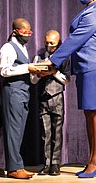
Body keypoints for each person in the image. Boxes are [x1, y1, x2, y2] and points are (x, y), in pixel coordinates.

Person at [39, 0, 96, 178]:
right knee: (90, 115)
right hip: (85, 68)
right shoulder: (88, 10)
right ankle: (92, 160)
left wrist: (52, 60)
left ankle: (94, 162)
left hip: (91, 67)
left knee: (93, 114)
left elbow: (76, 39)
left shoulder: (94, 12)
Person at [0, 18, 41, 179]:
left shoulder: (23, 48)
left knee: (19, 131)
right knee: (13, 131)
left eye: (30, 32)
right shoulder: (8, 47)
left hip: (23, 93)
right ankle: (13, 168)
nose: (28, 35)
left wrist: (36, 73)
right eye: (25, 32)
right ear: (15, 31)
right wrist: (27, 67)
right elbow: (4, 70)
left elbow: (27, 75)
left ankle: (18, 165)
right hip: (13, 93)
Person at [32, 30, 71, 176]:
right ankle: (46, 163)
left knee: (57, 133)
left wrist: (53, 72)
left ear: (59, 42)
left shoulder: (64, 57)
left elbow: (67, 80)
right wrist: (39, 74)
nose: (49, 46)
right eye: (46, 43)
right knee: (45, 133)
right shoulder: (38, 57)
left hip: (57, 99)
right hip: (43, 99)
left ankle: (55, 164)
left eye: (52, 43)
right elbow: (32, 80)